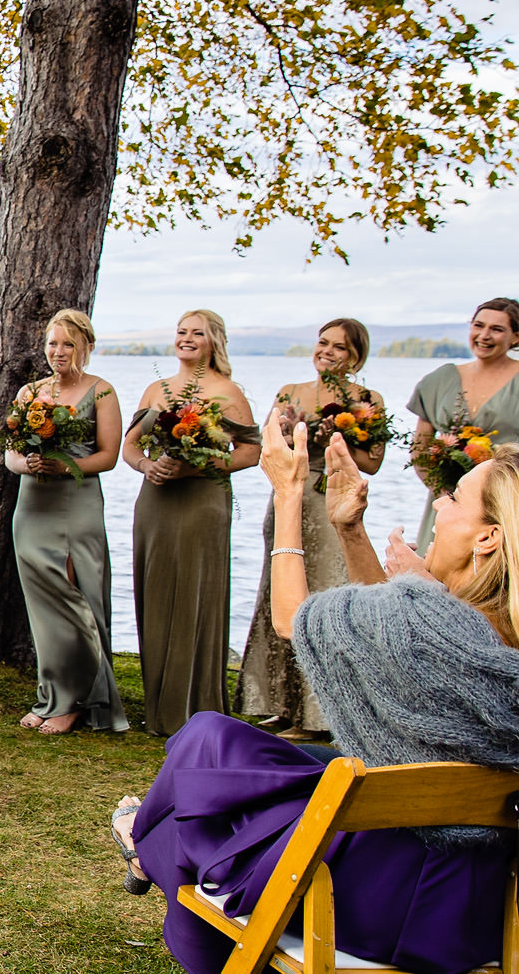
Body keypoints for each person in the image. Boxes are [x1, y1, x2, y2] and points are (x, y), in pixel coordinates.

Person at [112, 419, 519, 974]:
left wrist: (287, 492)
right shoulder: (483, 639)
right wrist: (351, 530)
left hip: (364, 901)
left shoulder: (434, 621)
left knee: (207, 743)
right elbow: (400, 640)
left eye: (453, 496)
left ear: (489, 536)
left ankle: (149, 843)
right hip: (470, 914)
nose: (440, 504)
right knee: (236, 748)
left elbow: (291, 620)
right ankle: (149, 839)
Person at [237, 318, 386, 738]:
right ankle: (281, 705)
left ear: (355, 355)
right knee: (279, 596)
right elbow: (270, 444)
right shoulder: (290, 392)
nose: (328, 351)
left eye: (340, 346)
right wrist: (287, 434)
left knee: (323, 597)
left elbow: (372, 462)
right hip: (288, 500)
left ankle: (319, 716)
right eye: (323, 342)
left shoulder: (368, 399)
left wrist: (339, 435)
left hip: (329, 500)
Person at [123, 308, 260, 738]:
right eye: (181, 331)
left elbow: (251, 452)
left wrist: (198, 467)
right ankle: (158, 705)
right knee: (157, 592)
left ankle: (196, 707)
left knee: (197, 593)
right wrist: (147, 466)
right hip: (156, 501)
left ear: (213, 341)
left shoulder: (227, 392)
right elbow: (129, 447)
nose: (186, 339)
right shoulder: (155, 389)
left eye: (196, 333)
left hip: (203, 502)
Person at [3, 308, 127, 735]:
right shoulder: (29, 392)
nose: (59, 352)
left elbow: (109, 456)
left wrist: (65, 467)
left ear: (86, 348)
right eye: (53, 344)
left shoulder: (102, 392)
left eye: (68, 344)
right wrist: (27, 462)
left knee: (75, 600)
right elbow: (9, 453)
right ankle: (50, 695)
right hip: (32, 507)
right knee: (44, 609)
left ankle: (77, 701)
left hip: (77, 505)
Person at [406, 297, 519, 550]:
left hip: (506, 504)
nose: (484, 335)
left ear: (515, 337)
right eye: (478, 326)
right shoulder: (440, 380)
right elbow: (420, 449)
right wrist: (445, 497)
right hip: (446, 502)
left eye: (497, 329)